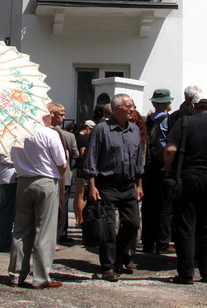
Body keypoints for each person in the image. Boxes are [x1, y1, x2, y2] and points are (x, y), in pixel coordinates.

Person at [164, 90, 207, 284]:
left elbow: (170, 150)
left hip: (187, 177)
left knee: (185, 226)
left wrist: (169, 170)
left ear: (193, 108)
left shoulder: (184, 123)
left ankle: (186, 274)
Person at [82, 93, 145, 281]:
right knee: (108, 228)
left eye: (132, 106)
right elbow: (91, 159)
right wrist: (92, 186)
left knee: (133, 224)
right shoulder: (102, 130)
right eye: (129, 107)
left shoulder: (134, 129)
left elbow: (138, 159)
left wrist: (139, 184)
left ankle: (118, 255)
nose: (132, 110)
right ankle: (107, 267)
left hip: (128, 184)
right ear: (117, 109)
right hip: (107, 185)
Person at [7, 110, 67, 288]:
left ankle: (16, 274)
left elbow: (12, 157)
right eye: (48, 112)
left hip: (23, 180)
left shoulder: (15, 133)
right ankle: (41, 277)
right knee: (44, 230)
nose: (50, 115)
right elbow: (61, 163)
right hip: (45, 180)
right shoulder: (49, 133)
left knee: (20, 228)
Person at [142, 89, 174, 254]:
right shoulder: (167, 120)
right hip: (162, 166)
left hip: (148, 167)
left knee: (148, 205)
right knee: (164, 206)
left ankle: (147, 241)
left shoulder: (147, 121)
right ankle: (162, 242)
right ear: (166, 103)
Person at [49, 103, 78, 245]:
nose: (63, 118)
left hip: (56, 174)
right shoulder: (67, 135)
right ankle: (60, 234)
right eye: (61, 115)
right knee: (62, 205)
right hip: (63, 174)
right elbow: (75, 154)